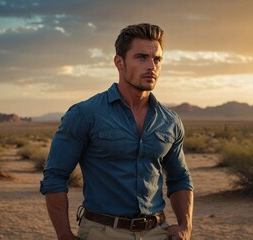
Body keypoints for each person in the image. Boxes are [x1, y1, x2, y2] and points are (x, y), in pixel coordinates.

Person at [40, 23, 194, 240]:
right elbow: (54, 177)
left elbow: (180, 178)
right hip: (102, 232)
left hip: (157, 232)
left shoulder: (170, 121)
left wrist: (185, 226)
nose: (151, 66)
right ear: (119, 62)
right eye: (141, 57)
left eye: (157, 59)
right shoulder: (85, 114)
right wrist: (64, 235)